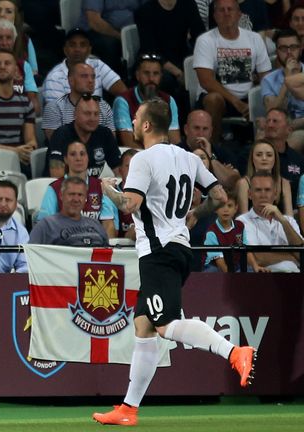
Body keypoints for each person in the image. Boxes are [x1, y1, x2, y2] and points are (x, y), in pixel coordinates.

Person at [94, 98, 256, 426]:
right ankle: (128, 408)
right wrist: (196, 213)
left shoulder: (142, 159)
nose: (135, 122)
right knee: (144, 325)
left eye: (137, 117)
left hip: (159, 253)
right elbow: (220, 196)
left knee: (166, 325)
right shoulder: (186, 157)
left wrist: (108, 189)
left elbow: (130, 203)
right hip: (180, 249)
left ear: (147, 125)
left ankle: (234, 352)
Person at [193, 0, 271, 143]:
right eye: (221, 10)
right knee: (213, 99)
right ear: (215, 15)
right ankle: (211, 150)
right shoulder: (205, 40)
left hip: (248, 98)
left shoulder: (255, 39)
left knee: (269, 96)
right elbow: (206, 81)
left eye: (230, 9)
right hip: (220, 100)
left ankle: (266, 150)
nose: (226, 13)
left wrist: (254, 101)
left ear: (239, 14)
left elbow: (266, 77)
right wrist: (236, 102)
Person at [37, 141, 118, 237]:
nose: (78, 158)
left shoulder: (102, 186)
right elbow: (44, 227)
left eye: (82, 154)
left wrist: (103, 248)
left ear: (88, 158)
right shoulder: (54, 188)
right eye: (73, 154)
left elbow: (110, 226)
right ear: (66, 159)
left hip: (95, 246)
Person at [134, 0, 205, 95]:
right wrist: (178, 73)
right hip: (154, 60)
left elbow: (200, 36)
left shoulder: (188, 4)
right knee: (165, 79)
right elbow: (150, 49)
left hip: (182, 56)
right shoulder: (145, 11)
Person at [41, 27, 126, 106]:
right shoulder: (54, 78)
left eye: (82, 45)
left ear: (89, 50)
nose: (77, 49)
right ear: (65, 49)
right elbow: (57, 116)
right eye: (72, 45)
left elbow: (124, 93)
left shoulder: (97, 65)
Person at [237, 170, 303, 273]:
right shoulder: (241, 222)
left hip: (294, 280)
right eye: (258, 190)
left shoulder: (289, 221)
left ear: (275, 194)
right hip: (261, 279)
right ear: (250, 194)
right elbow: (257, 258)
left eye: (267, 190)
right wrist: (293, 257)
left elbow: (302, 255)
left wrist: (283, 221)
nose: (263, 195)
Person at [112, 54, 181, 148]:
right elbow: (128, 143)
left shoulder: (169, 100)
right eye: (146, 73)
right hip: (136, 157)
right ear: (137, 75)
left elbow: (175, 140)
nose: (151, 79)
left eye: (155, 73)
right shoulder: (123, 101)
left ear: (161, 76)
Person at [46, 97, 121, 179]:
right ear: (75, 115)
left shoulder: (105, 133)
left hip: (93, 188)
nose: (92, 118)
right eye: (87, 114)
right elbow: (56, 178)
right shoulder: (61, 135)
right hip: (65, 188)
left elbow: (119, 171)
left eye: (96, 114)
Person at [42, 62, 115, 140]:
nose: (91, 80)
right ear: (71, 81)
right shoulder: (54, 108)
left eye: (93, 77)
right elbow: (56, 144)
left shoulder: (104, 106)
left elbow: (110, 141)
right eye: (84, 76)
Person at [30, 176, 109, 246]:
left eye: (80, 195)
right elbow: (31, 255)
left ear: (85, 198)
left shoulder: (96, 225)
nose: (76, 199)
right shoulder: (46, 225)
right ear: (61, 196)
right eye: (71, 194)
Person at [177, 109, 240, 189]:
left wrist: (210, 157)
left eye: (205, 129)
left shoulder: (223, 153)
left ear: (211, 132)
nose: (201, 134)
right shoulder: (175, 152)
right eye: (196, 128)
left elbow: (233, 183)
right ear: (186, 130)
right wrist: (221, 169)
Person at [236, 140, 293, 217]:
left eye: (269, 155)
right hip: (251, 228)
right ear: (252, 158)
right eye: (259, 155)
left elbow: (290, 218)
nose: (264, 158)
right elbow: (243, 220)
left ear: (275, 159)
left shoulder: (284, 183)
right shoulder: (244, 183)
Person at [261, 29, 304, 119]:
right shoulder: (268, 80)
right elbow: (272, 114)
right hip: (283, 130)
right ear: (277, 52)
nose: (289, 52)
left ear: (300, 49)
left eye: (293, 47)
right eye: (284, 48)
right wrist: (287, 80)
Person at [202, 191, 246, 273]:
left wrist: (255, 266)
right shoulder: (211, 233)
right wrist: (232, 279)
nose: (226, 209)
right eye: (221, 206)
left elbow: (245, 251)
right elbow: (220, 262)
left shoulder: (240, 226)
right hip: (215, 266)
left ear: (236, 208)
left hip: (235, 265)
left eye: (229, 206)